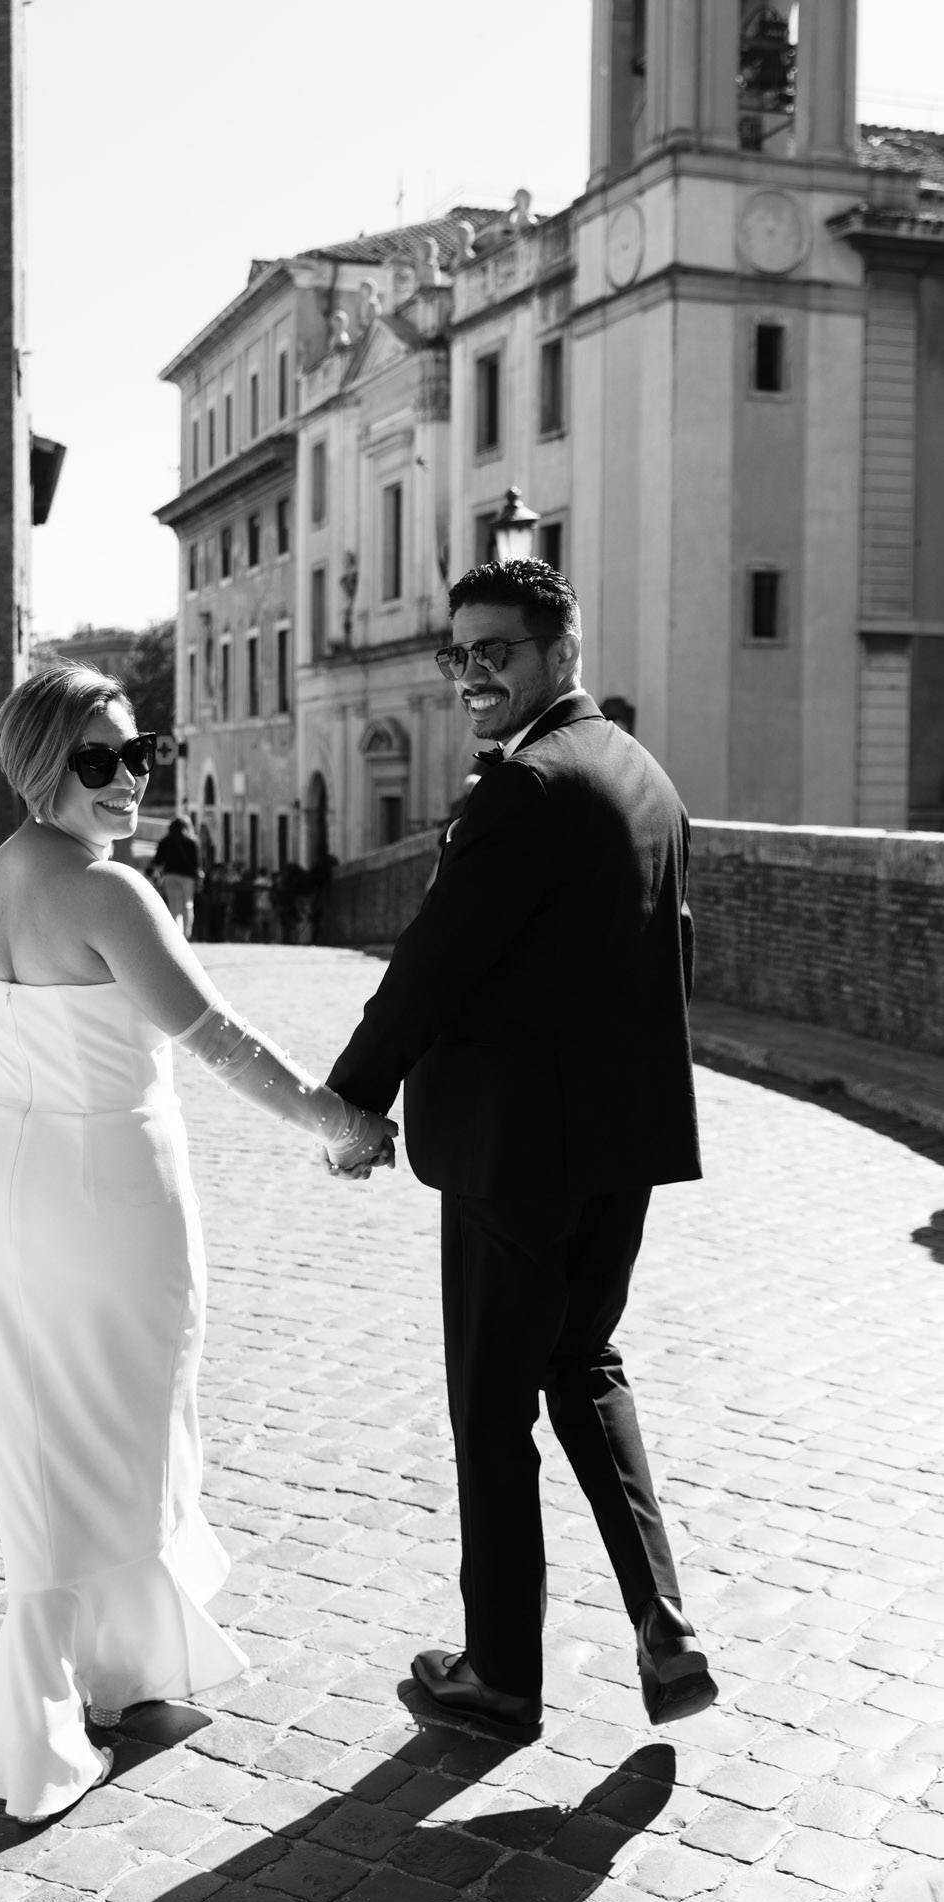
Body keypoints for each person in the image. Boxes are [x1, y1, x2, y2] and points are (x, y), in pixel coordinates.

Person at [0, 663, 396, 1820]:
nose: (127, 778)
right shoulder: (109, 893)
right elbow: (221, 1039)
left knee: (46, 1428)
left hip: (5, 1179)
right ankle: (59, 1694)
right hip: (105, 1185)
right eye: (95, 759)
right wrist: (339, 1122)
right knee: (126, 1420)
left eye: (137, 749)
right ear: (38, 763)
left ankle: (107, 1665)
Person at [326, 559, 716, 1744]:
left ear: (561, 650)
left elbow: (434, 962)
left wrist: (353, 1099)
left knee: (491, 1411)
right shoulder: (641, 774)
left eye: (493, 649)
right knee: (584, 1365)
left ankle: (498, 1671)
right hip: (620, 1146)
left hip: (513, 1157)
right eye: (457, 653)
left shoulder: (523, 788)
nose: (470, 674)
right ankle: (663, 1623)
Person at [152, 816, 200, 938]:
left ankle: (176, 935)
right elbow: (197, 864)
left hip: (170, 876)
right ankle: (186, 934)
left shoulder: (165, 842)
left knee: (174, 905)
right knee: (187, 905)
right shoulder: (191, 842)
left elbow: (158, 861)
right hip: (187, 878)